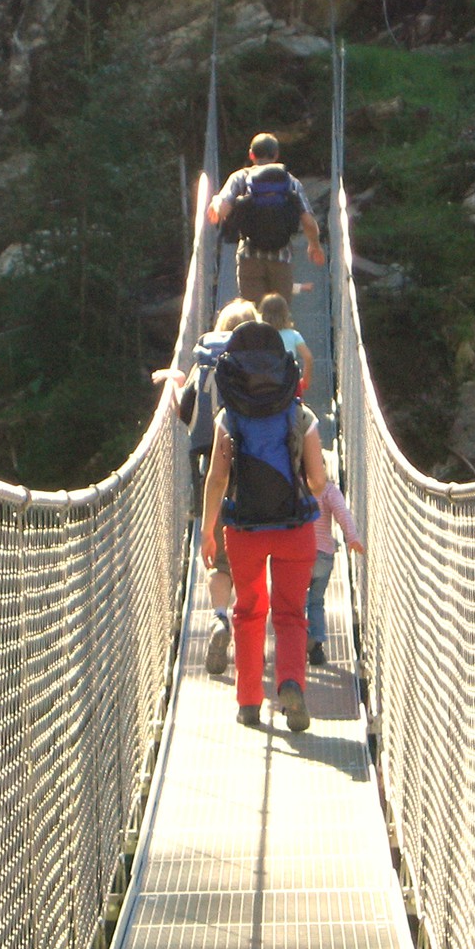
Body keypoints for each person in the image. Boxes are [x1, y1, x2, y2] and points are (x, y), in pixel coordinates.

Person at [201, 321, 327, 732]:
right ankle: (291, 683)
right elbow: (317, 482)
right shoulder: (301, 415)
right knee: (291, 614)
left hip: (243, 532)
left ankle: (249, 702)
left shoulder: (228, 418)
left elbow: (218, 478)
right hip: (295, 530)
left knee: (249, 611)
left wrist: (207, 529)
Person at [155, 298, 261, 676]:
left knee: (220, 563)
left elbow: (185, 415)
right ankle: (252, 635)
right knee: (252, 558)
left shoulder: (203, 367)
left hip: (209, 476)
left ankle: (219, 617)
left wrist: (175, 384)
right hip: (253, 473)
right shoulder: (257, 369)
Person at [207, 133, 326, 302]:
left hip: (249, 255)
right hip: (281, 257)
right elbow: (307, 220)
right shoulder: (290, 182)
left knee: (252, 315)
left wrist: (215, 204)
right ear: (276, 155)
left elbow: (223, 210)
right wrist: (314, 245)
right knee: (279, 313)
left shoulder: (240, 178)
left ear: (251, 155)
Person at [305, 478, 364, 666]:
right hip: (323, 556)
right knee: (316, 601)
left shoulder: (295, 487)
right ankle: (316, 649)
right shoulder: (328, 489)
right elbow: (342, 513)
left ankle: (300, 637)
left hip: (299, 556)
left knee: (295, 602)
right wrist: (352, 538)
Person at [257, 291, 313, 397]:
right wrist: (305, 381)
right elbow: (308, 357)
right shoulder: (294, 335)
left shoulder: (258, 335)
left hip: (264, 384)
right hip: (289, 384)